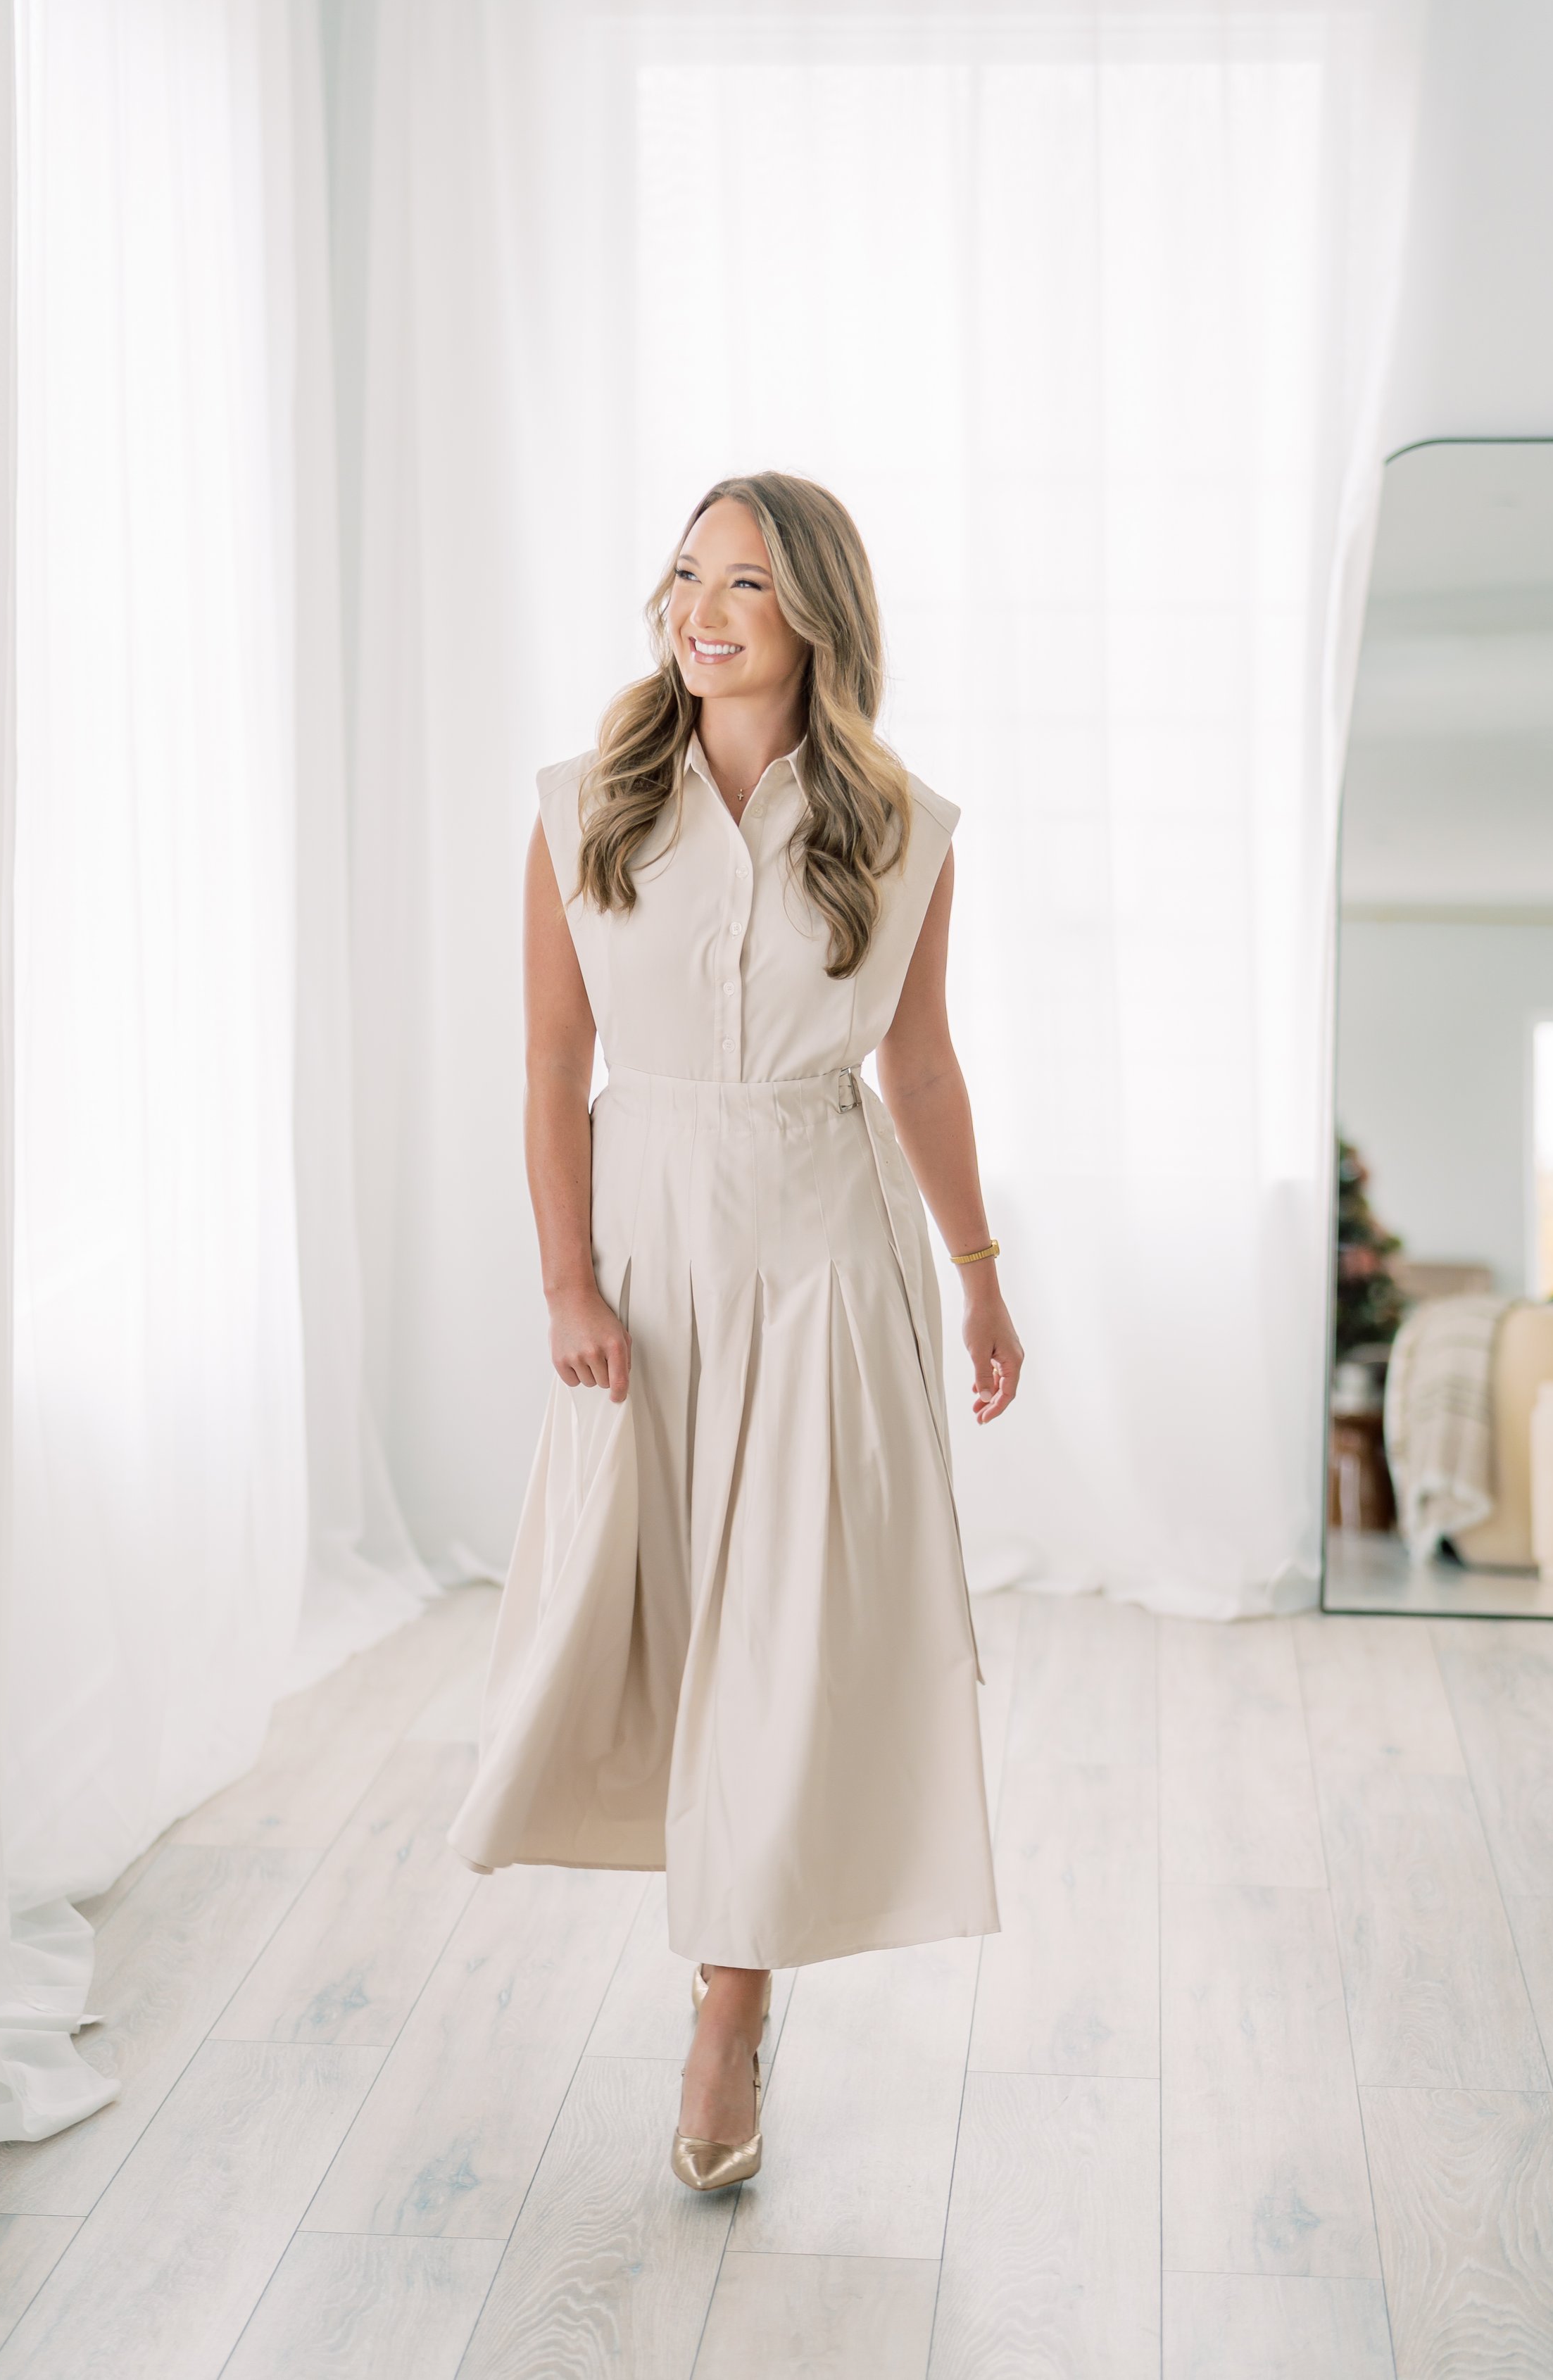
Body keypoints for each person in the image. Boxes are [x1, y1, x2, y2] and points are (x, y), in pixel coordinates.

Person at [449, 471, 1021, 2191]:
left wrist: (981, 1267)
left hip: (826, 1256)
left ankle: (727, 2005)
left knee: (783, 1632)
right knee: (658, 1618)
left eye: (744, 584)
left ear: (815, 620)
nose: (699, 609)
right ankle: (716, 1952)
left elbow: (913, 1062)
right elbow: (554, 1066)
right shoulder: (583, 808)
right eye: (686, 574)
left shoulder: (901, 826)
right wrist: (564, 1276)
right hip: (647, 1249)